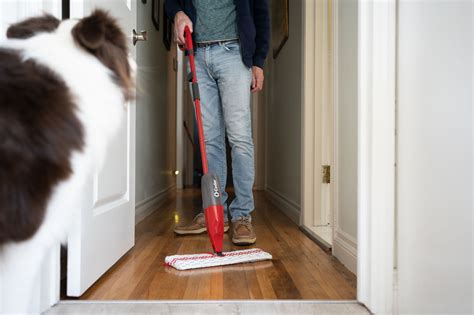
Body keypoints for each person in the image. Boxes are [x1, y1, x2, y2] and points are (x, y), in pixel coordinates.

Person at [165, 0, 270, 245]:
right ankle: (215, 212)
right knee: (209, 139)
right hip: (197, 53)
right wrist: (177, 13)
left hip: (234, 53)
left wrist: (258, 62)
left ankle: (242, 215)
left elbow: (261, 13)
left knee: (239, 137)